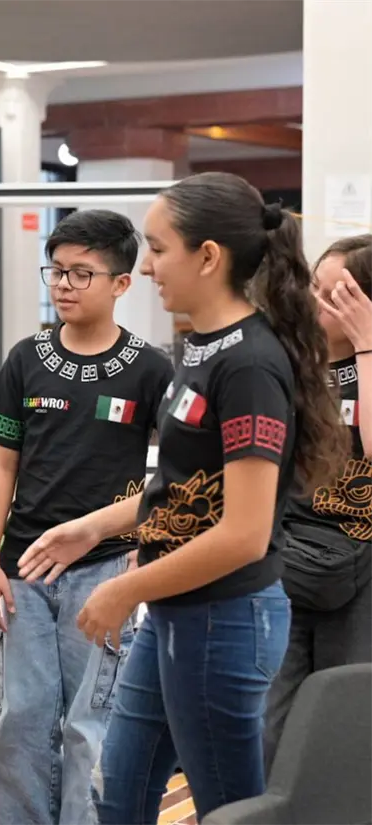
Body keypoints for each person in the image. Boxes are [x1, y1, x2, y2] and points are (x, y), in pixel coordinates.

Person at [18, 172, 349, 823]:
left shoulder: (249, 363)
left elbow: (243, 532)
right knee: (123, 789)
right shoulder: (200, 346)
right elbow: (185, 490)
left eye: (158, 247)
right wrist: (92, 527)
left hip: (222, 620)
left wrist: (122, 589)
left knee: (228, 807)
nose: (145, 268)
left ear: (207, 256)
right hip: (174, 615)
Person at [0, 209, 174, 825]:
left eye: (82, 273)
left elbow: (171, 478)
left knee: (93, 723)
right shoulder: (26, 358)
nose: (63, 284)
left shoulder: (151, 368)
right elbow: (2, 466)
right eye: (56, 271)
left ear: (121, 283)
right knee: (23, 720)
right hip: (25, 572)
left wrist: (145, 546)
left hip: (105, 571)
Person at [263, 234, 372, 772]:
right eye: (314, 286)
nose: (316, 302)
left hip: (361, 568)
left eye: (338, 294)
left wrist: (369, 345)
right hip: (287, 557)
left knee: (345, 719)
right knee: (270, 723)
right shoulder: (289, 365)